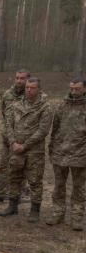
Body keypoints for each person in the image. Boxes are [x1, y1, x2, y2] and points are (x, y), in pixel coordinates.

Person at [0, 77, 51, 222]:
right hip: (15, 149)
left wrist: (25, 145)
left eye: (32, 87)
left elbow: (43, 130)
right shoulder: (16, 105)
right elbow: (8, 125)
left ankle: (35, 210)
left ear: (39, 89)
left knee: (34, 181)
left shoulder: (45, 107)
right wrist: (12, 142)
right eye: (27, 87)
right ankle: (12, 205)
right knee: (14, 177)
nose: (29, 90)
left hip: (34, 151)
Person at [0, 69, 30, 203]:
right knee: (4, 166)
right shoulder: (7, 95)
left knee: (20, 167)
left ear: (28, 79)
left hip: (24, 140)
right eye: (17, 78)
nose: (19, 81)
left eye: (22, 78)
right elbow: (5, 114)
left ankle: (17, 195)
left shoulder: (33, 96)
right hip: (8, 139)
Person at [47, 77, 86, 230]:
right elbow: (55, 129)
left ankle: (77, 217)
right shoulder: (62, 105)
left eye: (77, 88)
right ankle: (57, 213)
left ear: (84, 89)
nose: (74, 91)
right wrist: (52, 148)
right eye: (72, 88)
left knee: (79, 188)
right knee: (59, 187)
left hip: (80, 154)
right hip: (60, 153)